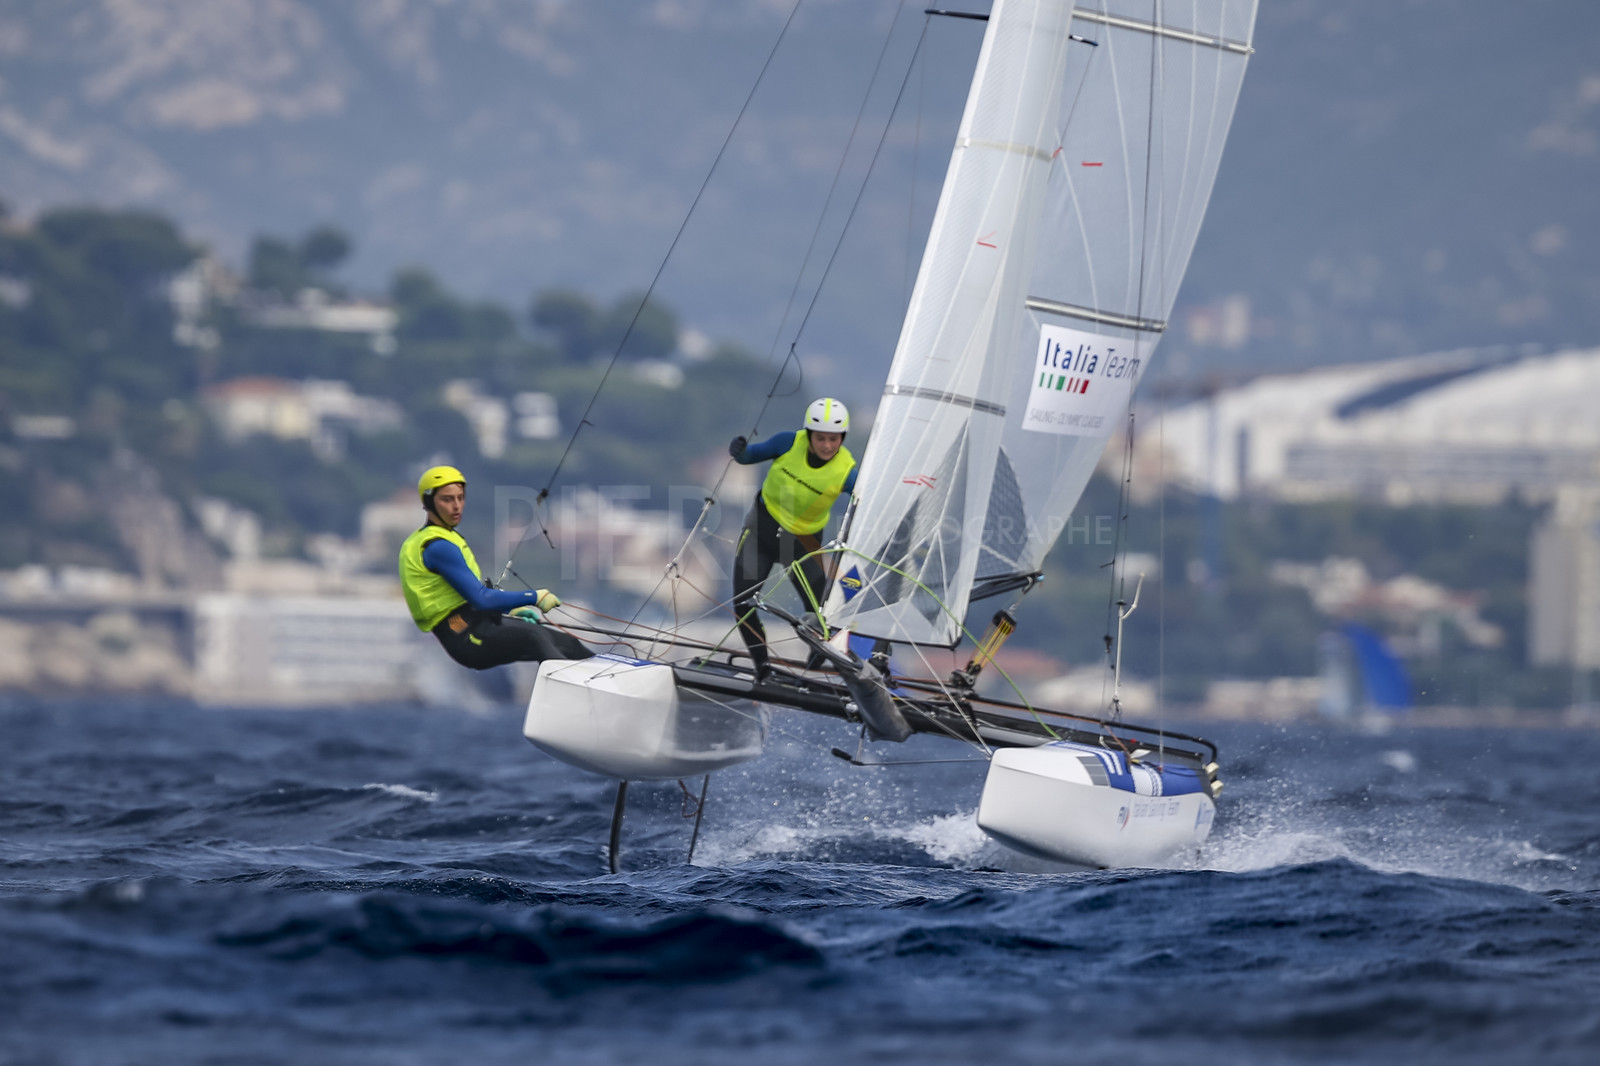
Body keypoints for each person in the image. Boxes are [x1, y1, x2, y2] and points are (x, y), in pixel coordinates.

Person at [398, 465, 592, 670]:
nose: (456, 506)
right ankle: (570, 683)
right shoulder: (437, 547)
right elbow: (481, 598)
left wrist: (511, 608)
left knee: (569, 644)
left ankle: (606, 675)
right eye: (447, 499)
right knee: (533, 636)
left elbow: (469, 595)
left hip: (480, 622)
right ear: (429, 502)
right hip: (463, 636)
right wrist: (534, 597)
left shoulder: (446, 538)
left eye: (460, 498)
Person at [727, 398, 857, 678]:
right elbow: (749, 457)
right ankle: (762, 668)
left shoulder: (847, 471)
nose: (827, 446)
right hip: (760, 535)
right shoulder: (787, 443)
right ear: (809, 435)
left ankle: (815, 665)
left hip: (802, 544)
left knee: (822, 613)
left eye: (833, 439)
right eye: (820, 438)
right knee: (743, 605)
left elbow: (868, 501)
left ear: (842, 438)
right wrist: (739, 451)